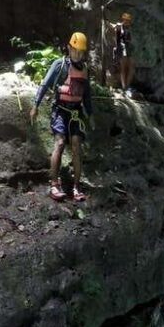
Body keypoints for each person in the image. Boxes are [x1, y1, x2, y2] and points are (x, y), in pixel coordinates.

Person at [30, 32, 93, 201]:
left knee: (76, 145)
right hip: (60, 110)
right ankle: (54, 185)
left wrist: (90, 114)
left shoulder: (85, 70)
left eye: (81, 52)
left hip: (76, 112)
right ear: (69, 48)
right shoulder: (59, 65)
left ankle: (76, 187)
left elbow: (86, 94)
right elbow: (45, 84)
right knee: (59, 143)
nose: (77, 54)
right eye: (75, 50)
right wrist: (35, 105)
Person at [107, 12, 135, 93]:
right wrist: (107, 22)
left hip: (127, 48)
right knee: (123, 68)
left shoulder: (128, 28)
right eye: (126, 20)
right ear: (123, 19)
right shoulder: (119, 26)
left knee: (131, 68)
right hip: (121, 48)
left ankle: (127, 86)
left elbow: (129, 39)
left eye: (128, 20)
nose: (127, 21)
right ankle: (124, 87)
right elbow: (112, 26)